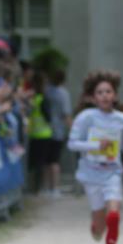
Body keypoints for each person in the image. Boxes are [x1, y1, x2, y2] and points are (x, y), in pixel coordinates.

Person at [68, 71, 123, 244]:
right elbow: (72, 143)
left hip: (112, 172)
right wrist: (96, 145)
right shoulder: (86, 118)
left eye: (108, 91)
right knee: (99, 228)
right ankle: (96, 224)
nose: (104, 95)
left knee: (113, 216)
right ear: (93, 97)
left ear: (115, 95)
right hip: (91, 173)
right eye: (100, 92)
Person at [44, 69, 72, 198]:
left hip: (44, 130)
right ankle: (54, 188)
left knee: (47, 161)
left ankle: (47, 187)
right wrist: (72, 129)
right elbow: (66, 114)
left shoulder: (46, 91)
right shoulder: (63, 94)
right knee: (55, 161)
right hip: (57, 130)